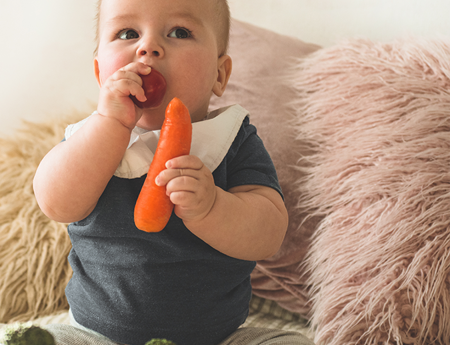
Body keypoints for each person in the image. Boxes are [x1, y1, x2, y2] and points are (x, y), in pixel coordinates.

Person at [31, 0, 314, 344]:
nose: (148, 47)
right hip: (95, 333)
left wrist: (212, 208)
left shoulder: (230, 138)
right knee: (47, 339)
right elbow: (56, 203)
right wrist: (108, 125)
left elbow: (268, 233)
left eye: (180, 32)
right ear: (100, 74)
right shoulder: (90, 139)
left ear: (219, 75)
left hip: (218, 337)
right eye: (127, 33)